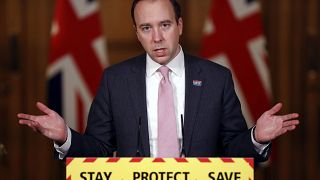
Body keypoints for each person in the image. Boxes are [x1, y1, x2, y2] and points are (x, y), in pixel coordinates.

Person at [17, 0, 299, 162]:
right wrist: (66, 137)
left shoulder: (216, 78)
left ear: (179, 25)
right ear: (137, 32)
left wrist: (256, 138)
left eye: (164, 25)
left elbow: (232, 150)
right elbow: (99, 150)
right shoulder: (115, 79)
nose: (157, 38)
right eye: (146, 28)